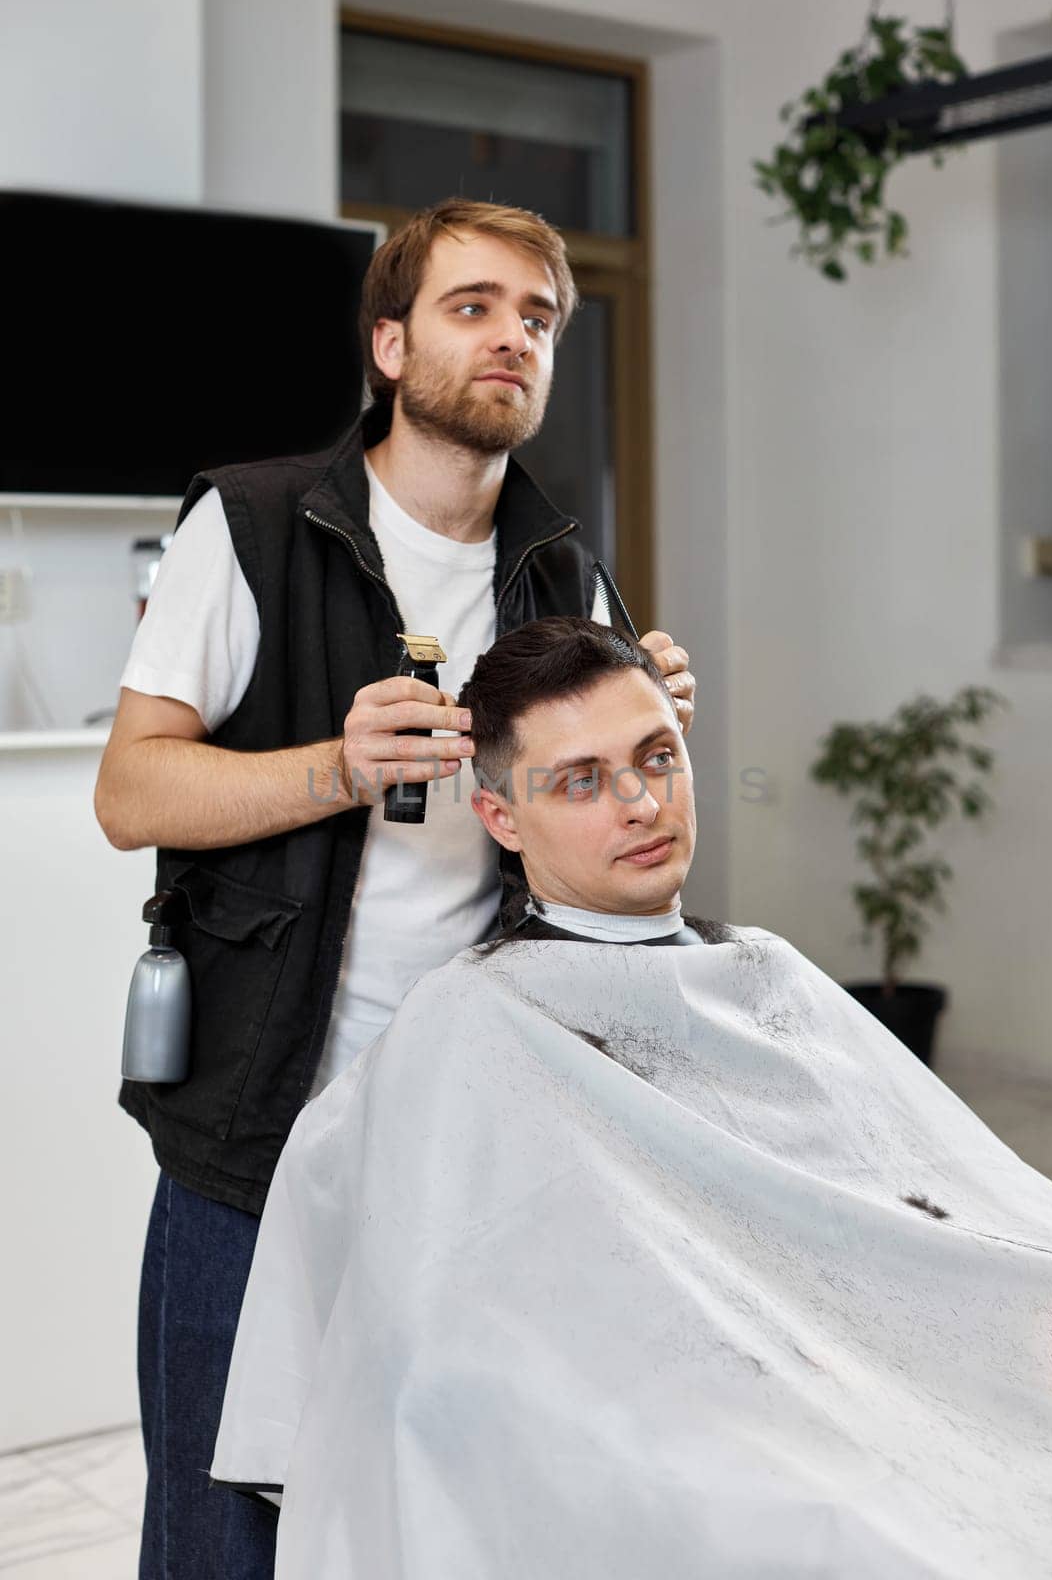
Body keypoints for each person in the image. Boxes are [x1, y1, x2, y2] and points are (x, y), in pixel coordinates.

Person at [92, 201, 697, 1580]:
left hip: (475, 1138)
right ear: (388, 341)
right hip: (258, 1131)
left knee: (435, 1516)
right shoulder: (247, 526)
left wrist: (637, 744)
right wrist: (336, 766)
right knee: (218, 1534)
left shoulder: (560, 565)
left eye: (537, 318)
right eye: (471, 306)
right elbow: (131, 795)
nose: (510, 339)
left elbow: (573, 836)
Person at [211, 618, 1052, 1580]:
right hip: (674, 1439)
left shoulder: (765, 977)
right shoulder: (469, 1028)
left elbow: (934, 1211)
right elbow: (445, 1355)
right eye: (580, 780)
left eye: (657, 757)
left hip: (846, 1386)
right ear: (500, 818)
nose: (640, 804)